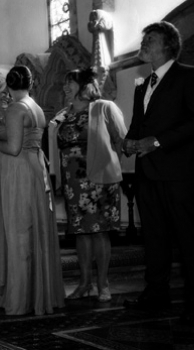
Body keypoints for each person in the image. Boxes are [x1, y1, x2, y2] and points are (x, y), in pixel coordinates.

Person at [121, 21, 194, 326]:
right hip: (146, 172)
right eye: (144, 38)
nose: (143, 43)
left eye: (151, 39)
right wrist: (129, 141)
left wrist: (158, 141)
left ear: (168, 46)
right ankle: (156, 294)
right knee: (155, 238)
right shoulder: (142, 84)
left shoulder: (189, 75)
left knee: (188, 239)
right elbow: (139, 124)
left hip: (177, 173)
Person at [0, 65, 65, 316]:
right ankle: (36, 293)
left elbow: (14, 147)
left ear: (8, 84)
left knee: (18, 234)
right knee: (32, 232)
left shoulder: (17, 109)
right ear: (32, 83)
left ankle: (19, 301)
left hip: (17, 172)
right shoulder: (35, 107)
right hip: (34, 168)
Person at [54, 68, 126, 302]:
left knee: (99, 232)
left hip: (99, 180)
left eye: (71, 82)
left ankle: (103, 284)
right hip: (73, 182)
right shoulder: (63, 114)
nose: (66, 87)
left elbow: (120, 140)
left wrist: (110, 166)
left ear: (86, 85)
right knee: (81, 233)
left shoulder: (104, 107)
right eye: (65, 83)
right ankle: (84, 284)